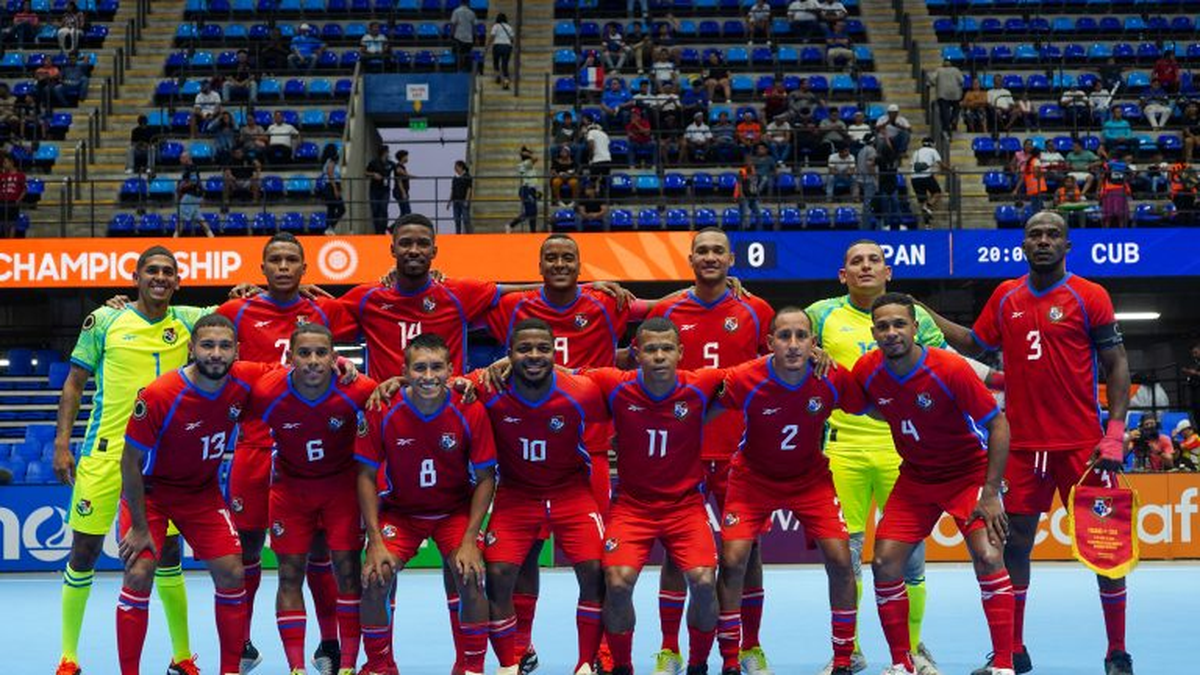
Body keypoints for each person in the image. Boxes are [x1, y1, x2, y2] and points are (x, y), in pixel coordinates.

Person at [921, 211, 1134, 675]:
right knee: (1013, 546)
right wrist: (923, 312)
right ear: (1023, 245)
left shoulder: (1089, 295)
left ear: (1067, 245)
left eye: (1052, 235)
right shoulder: (1006, 295)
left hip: (1083, 447)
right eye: (1035, 235)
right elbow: (974, 343)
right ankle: (1013, 652)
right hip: (1020, 447)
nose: (1043, 241)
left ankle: (1117, 652)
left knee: (1106, 547)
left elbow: (1117, 364)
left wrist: (1114, 432)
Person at [807, 240, 979, 675]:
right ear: (842, 275)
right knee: (843, 559)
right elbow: (787, 350)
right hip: (843, 448)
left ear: (889, 273)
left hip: (905, 451)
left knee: (910, 559)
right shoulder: (820, 314)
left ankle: (914, 651)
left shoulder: (915, 317)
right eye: (855, 262)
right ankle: (852, 651)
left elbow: (949, 363)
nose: (865, 266)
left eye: (874, 261)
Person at [52, 247, 209, 675]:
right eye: (152, 271)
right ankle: (69, 657)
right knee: (83, 551)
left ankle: (182, 657)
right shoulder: (104, 320)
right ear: (136, 276)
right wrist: (62, 443)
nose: (160, 277)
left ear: (178, 281)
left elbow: (248, 306)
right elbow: (74, 384)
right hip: (104, 453)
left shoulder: (191, 320)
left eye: (168, 272)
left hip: (163, 462)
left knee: (168, 553)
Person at [842, 293, 1015, 675]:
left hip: (966, 475)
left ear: (915, 328)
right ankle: (902, 664)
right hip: (916, 478)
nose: (891, 333)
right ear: (874, 332)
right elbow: (857, 403)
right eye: (883, 327)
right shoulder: (868, 369)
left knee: (988, 556)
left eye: (899, 324)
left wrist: (991, 493)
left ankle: (1004, 666)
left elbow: (998, 424)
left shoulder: (950, 368)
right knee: (885, 563)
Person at [215, 232, 358, 674]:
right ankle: (242, 643)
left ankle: (330, 644)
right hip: (255, 447)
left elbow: (382, 317)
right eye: (274, 260)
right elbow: (201, 342)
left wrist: (348, 364)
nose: (282, 267)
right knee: (248, 551)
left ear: (304, 268)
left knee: (317, 553)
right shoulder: (234, 310)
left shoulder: (325, 310)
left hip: (312, 449)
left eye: (291, 260)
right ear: (261, 268)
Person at [645, 229, 776, 675]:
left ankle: (747, 647)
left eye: (718, 250)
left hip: (741, 452)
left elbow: (774, 371)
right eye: (702, 250)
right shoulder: (666, 310)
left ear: (731, 258)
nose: (710, 257)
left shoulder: (755, 310)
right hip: (682, 451)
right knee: (675, 552)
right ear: (690, 258)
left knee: (748, 553)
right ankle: (668, 648)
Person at [714, 308, 858, 675]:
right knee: (732, 562)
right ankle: (733, 659)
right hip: (752, 480)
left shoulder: (831, 377)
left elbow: (874, 403)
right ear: (769, 343)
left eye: (801, 336)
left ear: (814, 343)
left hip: (810, 480)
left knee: (841, 560)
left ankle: (843, 659)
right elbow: (701, 402)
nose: (793, 345)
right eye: (784, 336)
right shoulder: (745, 378)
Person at [116, 314, 262, 675]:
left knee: (232, 572)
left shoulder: (244, 383)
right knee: (139, 572)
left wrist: (339, 363)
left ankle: (229, 671)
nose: (215, 353)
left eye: (225, 346)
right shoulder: (159, 395)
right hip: (151, 494)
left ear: (237, 352)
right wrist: (137, 526)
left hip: (202, 493)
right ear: (191, 348)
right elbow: (129, 463)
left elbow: (294, 370)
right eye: (207, 345)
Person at [580, 318, 728, 675]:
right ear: (636, 354)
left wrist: (810, 355)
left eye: (666, 349)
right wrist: (502, 364)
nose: (659, 356)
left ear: (680, 352)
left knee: (705, 583)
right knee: (616, 583)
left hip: (686, 506)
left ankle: (697, 664)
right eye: (650, 349)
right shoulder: (613, 384)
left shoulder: (702, 383)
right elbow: (558, 373)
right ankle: (623, 667)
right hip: (632, 506)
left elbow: (759, 371)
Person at [472, 319, 610, 675]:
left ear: (555, 353)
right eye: (524, 349)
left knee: (596, 571)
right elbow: (438, 384)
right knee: (499, 573)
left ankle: (585, 663)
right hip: (517, 494)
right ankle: (509, 663)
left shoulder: (582, 391)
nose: (534, 356)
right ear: (508, 354)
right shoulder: (488, 388)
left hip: (571, 493)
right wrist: (395, 382)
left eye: (542, 349)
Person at [356, 333, 498, 675]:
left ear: (451, 369)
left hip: (454, 513)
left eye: (437, 367)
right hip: (401, 513)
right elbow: (364, 475)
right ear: (404, 371)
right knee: (375, 576)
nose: (429, 376)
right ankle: (380, 666)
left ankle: (471, 667)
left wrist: (469, 540)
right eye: (419, 368)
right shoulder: (382, 408)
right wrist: (374, 541)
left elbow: (486, 478)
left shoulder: (469, 408)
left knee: (471, 575)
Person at [243, 324, 375, 675]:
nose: (313, 361)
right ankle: (296, 667)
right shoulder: (267, 392)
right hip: (290, 491)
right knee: (289, 574)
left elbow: (396, 397)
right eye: (304, 353)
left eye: (321, 353)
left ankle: (346, 665)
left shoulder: (357, 389)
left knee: (347, 572)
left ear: (335, 358)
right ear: (289, 358)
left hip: (341, 490)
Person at [910, 137, 947, 225]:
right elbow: (940, 164)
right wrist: (950, 170)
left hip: (914, 178)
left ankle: (927, 223)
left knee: (922, 200)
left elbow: (912, 165)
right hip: (925, 176)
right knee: (937, 192)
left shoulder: (916, 152)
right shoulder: (932, 151)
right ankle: (928, 206)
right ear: (932, 144)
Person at [175, 152, 213, 237]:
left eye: (182, 158)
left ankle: (174, 240)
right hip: (195, 196)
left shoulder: (191, 168)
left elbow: (194, 181)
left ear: (188, 158)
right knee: (199, 218)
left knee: (180, 218)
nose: (180, 160)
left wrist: (181, 187)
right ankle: (212, 237)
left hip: (190, 196)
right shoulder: (190, 168)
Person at [508, 146, 539, 233]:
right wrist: (528, 153)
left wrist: (528, 151)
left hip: (532, 189)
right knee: (530, 212)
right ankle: (511, 225)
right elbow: (535, 158)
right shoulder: (524, 163)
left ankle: (533, 232)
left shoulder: (528, 163)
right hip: (526, 189)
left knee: (534, 212)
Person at [929, 60, 963, 136]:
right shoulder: (956, 70)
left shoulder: (939, 70)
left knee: (944, 113)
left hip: (943, 95)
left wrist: (934, 84)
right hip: (955, 95)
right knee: (956, 108)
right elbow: (962, 80)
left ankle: (947, 128)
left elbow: (932, 79)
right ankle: (954, 119)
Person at [222, 146, 262, 211]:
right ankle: (226, 201)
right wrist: (230, 176)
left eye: (240, 152)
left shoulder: (247, 158)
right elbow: (227, 170)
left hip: (248, 180)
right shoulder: (230, 160)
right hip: (235, 181)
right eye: (237, 153)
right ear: (233, 154)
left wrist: (257, 175)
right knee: (227, 180)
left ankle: (255, 201)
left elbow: (258, 164)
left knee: (255, 180)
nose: (239, 154)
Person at [366, 146, 395, 235]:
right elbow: (365, 172)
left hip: (385, 190)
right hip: (374, 190)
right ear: (384, 152)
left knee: (383, 209)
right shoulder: (373, 163)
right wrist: (373, 174)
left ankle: (383, 229)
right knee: (375, 210)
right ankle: (377, 230)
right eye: (387, 152)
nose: (388, 153)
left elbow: (397, 169)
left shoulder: (390, 163)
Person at [0, 153, 27, 238]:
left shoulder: (20, 175)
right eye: (3, 163)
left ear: (11, 162)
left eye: (5, 162)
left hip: (13, 202)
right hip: (2, 201)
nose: (4, 165)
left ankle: (10, 243)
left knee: (12, 223)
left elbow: (25, 189)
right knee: (2, 223)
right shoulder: (2, 175)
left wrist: (18, 200)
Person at [320, 143, 345, 235]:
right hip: (331, 186)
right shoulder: (331, 161)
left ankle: (329, 228)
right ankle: (330, 227)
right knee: (341, 208)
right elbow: (331, 174)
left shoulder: (327, 161)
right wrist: (335, 188)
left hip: (331, 185)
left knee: (331, 209)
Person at [486, 13, 515, 89]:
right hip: (507, 46)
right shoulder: (509, 27)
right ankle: (505, 82)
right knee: (505, 64)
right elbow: (512, 39)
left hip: (497, 45)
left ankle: (498, 76)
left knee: (496, 62)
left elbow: (492, 36)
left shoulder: (496, 26)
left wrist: (488, 45)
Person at [450, 0, 478, 71]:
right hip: (468, 38)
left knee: (458, 55)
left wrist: (452, 35)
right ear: (468, 3)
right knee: (467, 56)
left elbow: (453, 24)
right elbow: (474, 27)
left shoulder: (456, 11)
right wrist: (476, 38)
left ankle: (458, 70)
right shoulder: (472, 13)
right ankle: (467, 72)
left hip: (458, 37)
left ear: (460, 2)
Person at [448, 160, 473, 234]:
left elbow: (469, 189)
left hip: (463, 200)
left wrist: (467, 200)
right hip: (456, 201)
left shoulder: (467, 176)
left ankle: (469, 236)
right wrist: (449, 201)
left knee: (466, 220)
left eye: (456, 167)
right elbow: (452, 189)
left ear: (461, 167)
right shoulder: (455, 178)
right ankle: (458, 236)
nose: (455, 168)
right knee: (457, 220)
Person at [393, 149, 413, 216]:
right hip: (400, 192)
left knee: (404, 212)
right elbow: (399, 180)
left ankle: (393, 227)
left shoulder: (402, 167)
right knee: (406, 212)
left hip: (402, 192)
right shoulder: (398, 166)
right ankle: (393, 227)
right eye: (406, 156)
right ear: (402, 157)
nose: (407, 158)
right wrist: (403, 193)